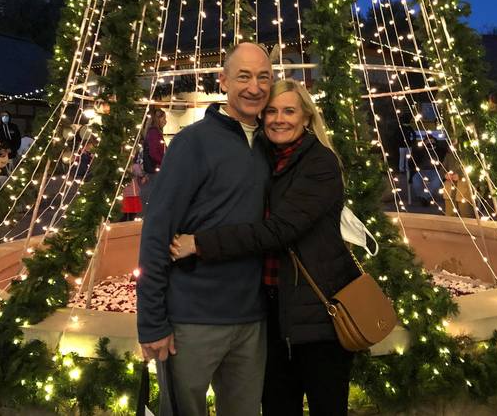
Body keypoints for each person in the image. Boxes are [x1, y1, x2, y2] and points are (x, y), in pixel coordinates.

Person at [170, 79, 360, 416]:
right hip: (272, 314)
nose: (279, 119)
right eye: (271, 111)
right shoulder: (265, 160)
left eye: (289, 111)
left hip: (319, 316)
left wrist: (200, 243)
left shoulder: (319, 163)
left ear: (306, 117)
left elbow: (278, 231)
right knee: (276, 406)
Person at [137, 42, 273, 416]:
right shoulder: (192, 143)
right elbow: (157, 231)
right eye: (243, 76)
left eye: (263, 77)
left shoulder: (271, 144)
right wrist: (152, 322)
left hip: (252, 319)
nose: (254, 87)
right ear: (223, 81)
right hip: (191, 321)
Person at [139, 108, 166, 215]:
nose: (165, 121)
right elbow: (154, 153)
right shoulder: (154, 133)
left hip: (155, 169)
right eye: (164, 118)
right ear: (157, 119)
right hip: (155, 170)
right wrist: (165, 162)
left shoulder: (154, 132)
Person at [409, 135, 443, 207]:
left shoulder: (440, 150)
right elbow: (412, 161)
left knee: (436, 182)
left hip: (435, 171)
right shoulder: (420, 151)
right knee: (415, 180)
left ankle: (424, 197)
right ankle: (424, 197)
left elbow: (445, 157)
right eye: (428, 142)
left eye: (432, 141)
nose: (430, 143)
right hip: (421, 171)